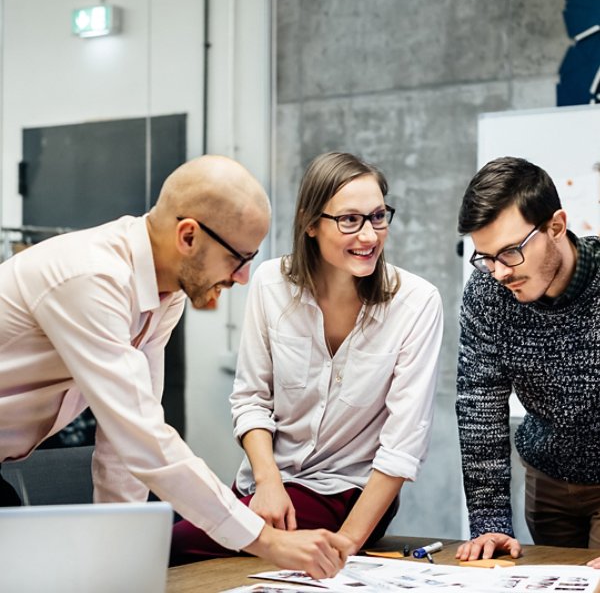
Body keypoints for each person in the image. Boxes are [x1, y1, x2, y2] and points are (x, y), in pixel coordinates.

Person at [0, 154, 352, 579]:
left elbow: (123, 444)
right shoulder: (92, 278)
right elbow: (144, 438)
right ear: (188, 236)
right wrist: (266, 539)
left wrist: (115, 567)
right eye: (239, 258)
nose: (243, 278)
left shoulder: (165, 297)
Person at [170, 151, 444, 565]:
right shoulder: (270, 284)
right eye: (350, 220)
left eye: (378, 216)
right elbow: (251, 400)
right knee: (167, 530)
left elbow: (402, 444)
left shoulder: (417, 302)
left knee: (169, 545)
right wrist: (267, 483)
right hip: (265, 486)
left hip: (348, 494)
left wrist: (348, 543)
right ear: (311, 223)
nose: (369, 236)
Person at [455, 156, 600, 568]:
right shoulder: (487, 293)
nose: (498, 272)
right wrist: (489, 521)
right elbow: (479, 405)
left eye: (510, 252)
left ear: (555, 226)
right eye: (485, 256)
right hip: (547, 480)